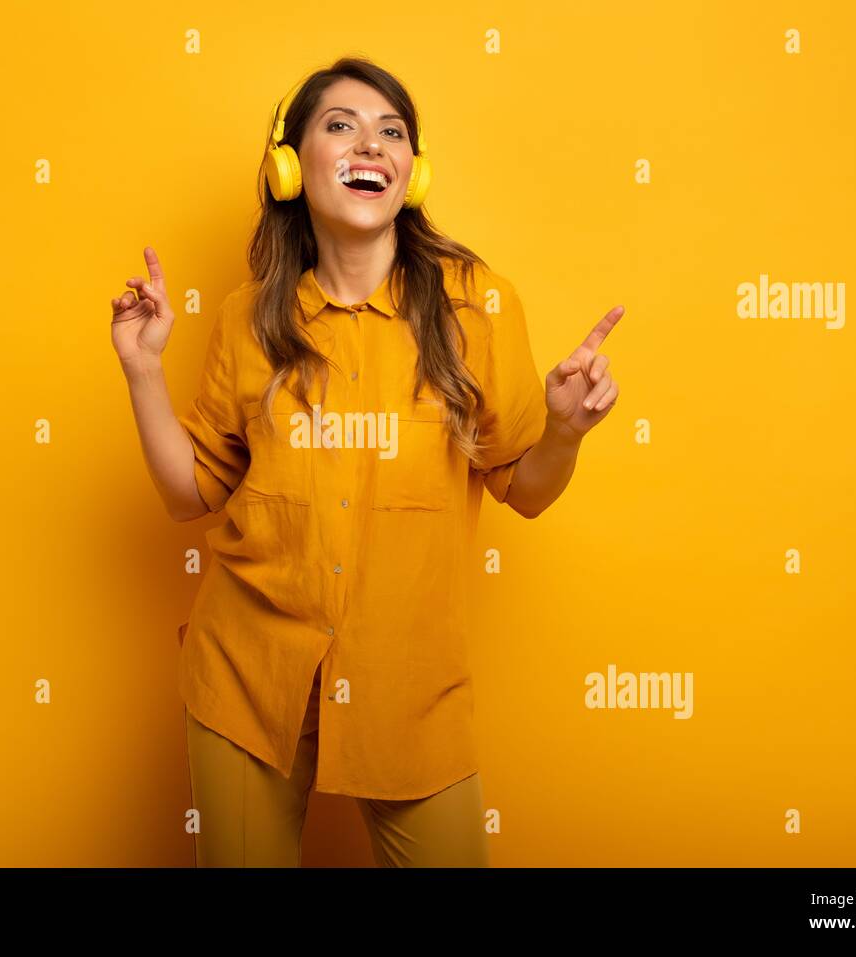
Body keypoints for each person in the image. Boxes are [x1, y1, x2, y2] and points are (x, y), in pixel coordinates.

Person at [110, 57, 624, 867]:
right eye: (342, 126)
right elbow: (189, 493)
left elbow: (525, 491)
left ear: (413, 173)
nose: (371, 144)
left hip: (410, 689)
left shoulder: (476, 304)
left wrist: (565, 431)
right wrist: (143, 368)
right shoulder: (248, 317)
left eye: (392, 132)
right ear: (289, 166)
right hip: (246, 675)